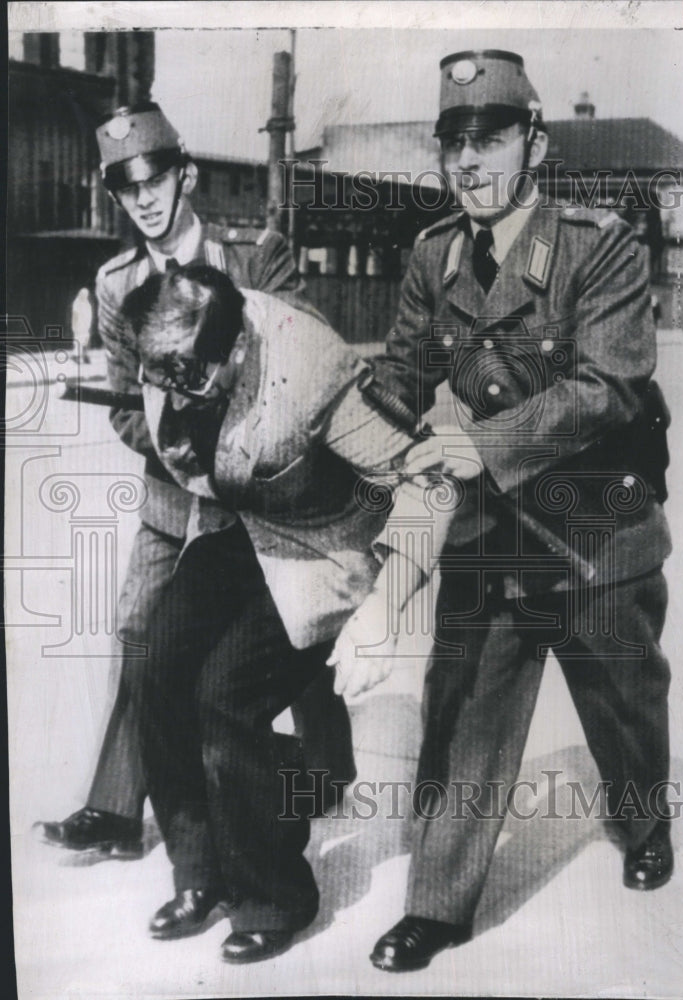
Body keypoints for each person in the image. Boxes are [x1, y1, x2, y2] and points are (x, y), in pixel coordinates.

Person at [338, 49, 674, 972]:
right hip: (496, 531)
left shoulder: (598, 242)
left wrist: (483, 443)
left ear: (535, 140)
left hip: (599, 525)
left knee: (623, 700)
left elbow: (609, 384)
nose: (470, 163)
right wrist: (338, 403)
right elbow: (404, 375)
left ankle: (643, 824)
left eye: (489, 140)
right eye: (454, 144)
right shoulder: (434, 254)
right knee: (464, 710)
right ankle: (439, 905)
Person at [119, 264, 478, 962]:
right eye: (158, 375)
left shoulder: (310, 368)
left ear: (242, 349)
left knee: (226, 702)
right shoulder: (169, 341)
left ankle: (276, 892)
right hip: (238, 522)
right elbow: (175, 420)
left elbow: (429, 485)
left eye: (189, 377)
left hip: (322, 545)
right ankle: (202, 871)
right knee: (156, 669)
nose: (169, 390)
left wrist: (385, 606)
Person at [37, 102, 355, 860]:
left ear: (185, 174)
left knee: (290, 622)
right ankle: (117, 809)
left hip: (267, 491)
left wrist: (237, 451)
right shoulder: (117, 285)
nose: (143, 199)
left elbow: (300, 365)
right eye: (125, 187)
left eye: (154, 179)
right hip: (171, 495)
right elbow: (123, 409)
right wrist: (180, 447)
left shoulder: (257, 254)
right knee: (145, 635)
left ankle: (324, 764)